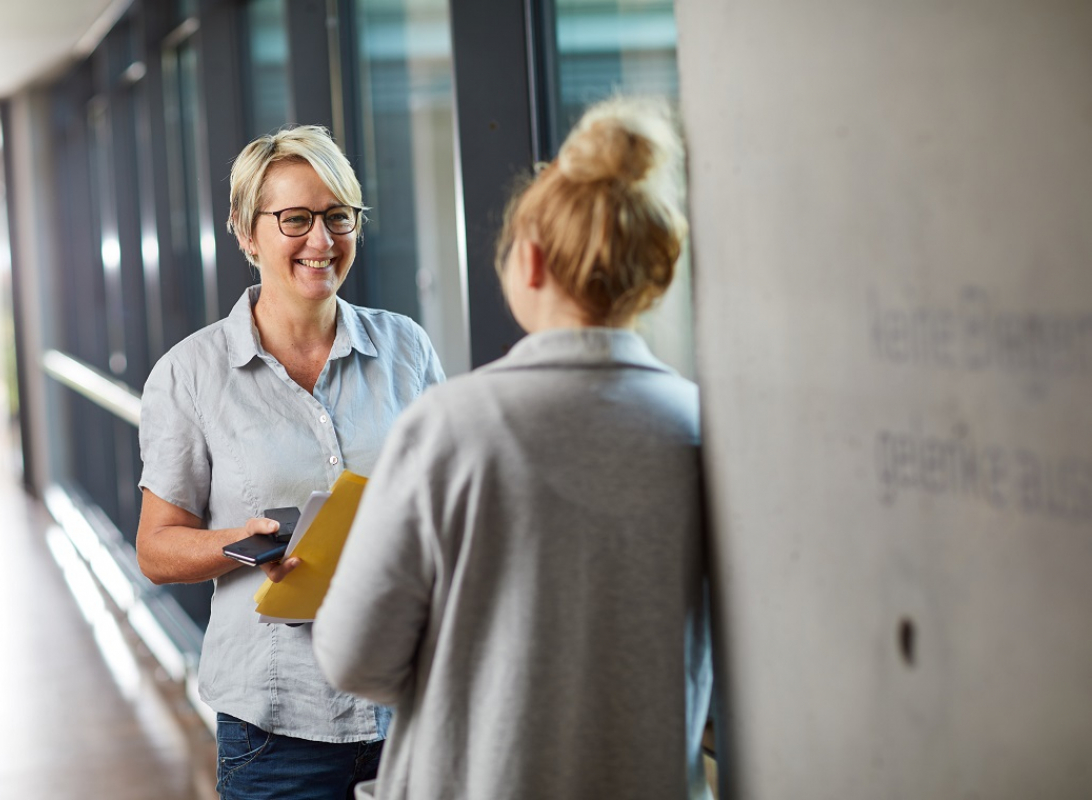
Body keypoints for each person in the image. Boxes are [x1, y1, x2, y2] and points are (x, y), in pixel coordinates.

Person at [312, 96, 713, 800]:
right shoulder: (699, 427)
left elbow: (354, 658)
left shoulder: (451, 427)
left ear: (528, 261)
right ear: (654, 276)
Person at [135, 124, 445, 800]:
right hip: (276, 730)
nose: (323, 241)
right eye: (296, 219)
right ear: (247, 233)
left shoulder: (407, 350)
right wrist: (245, 545)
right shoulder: (189, 375)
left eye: (339, 217)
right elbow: (156, 548)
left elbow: (444, 498)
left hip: (409, 709)